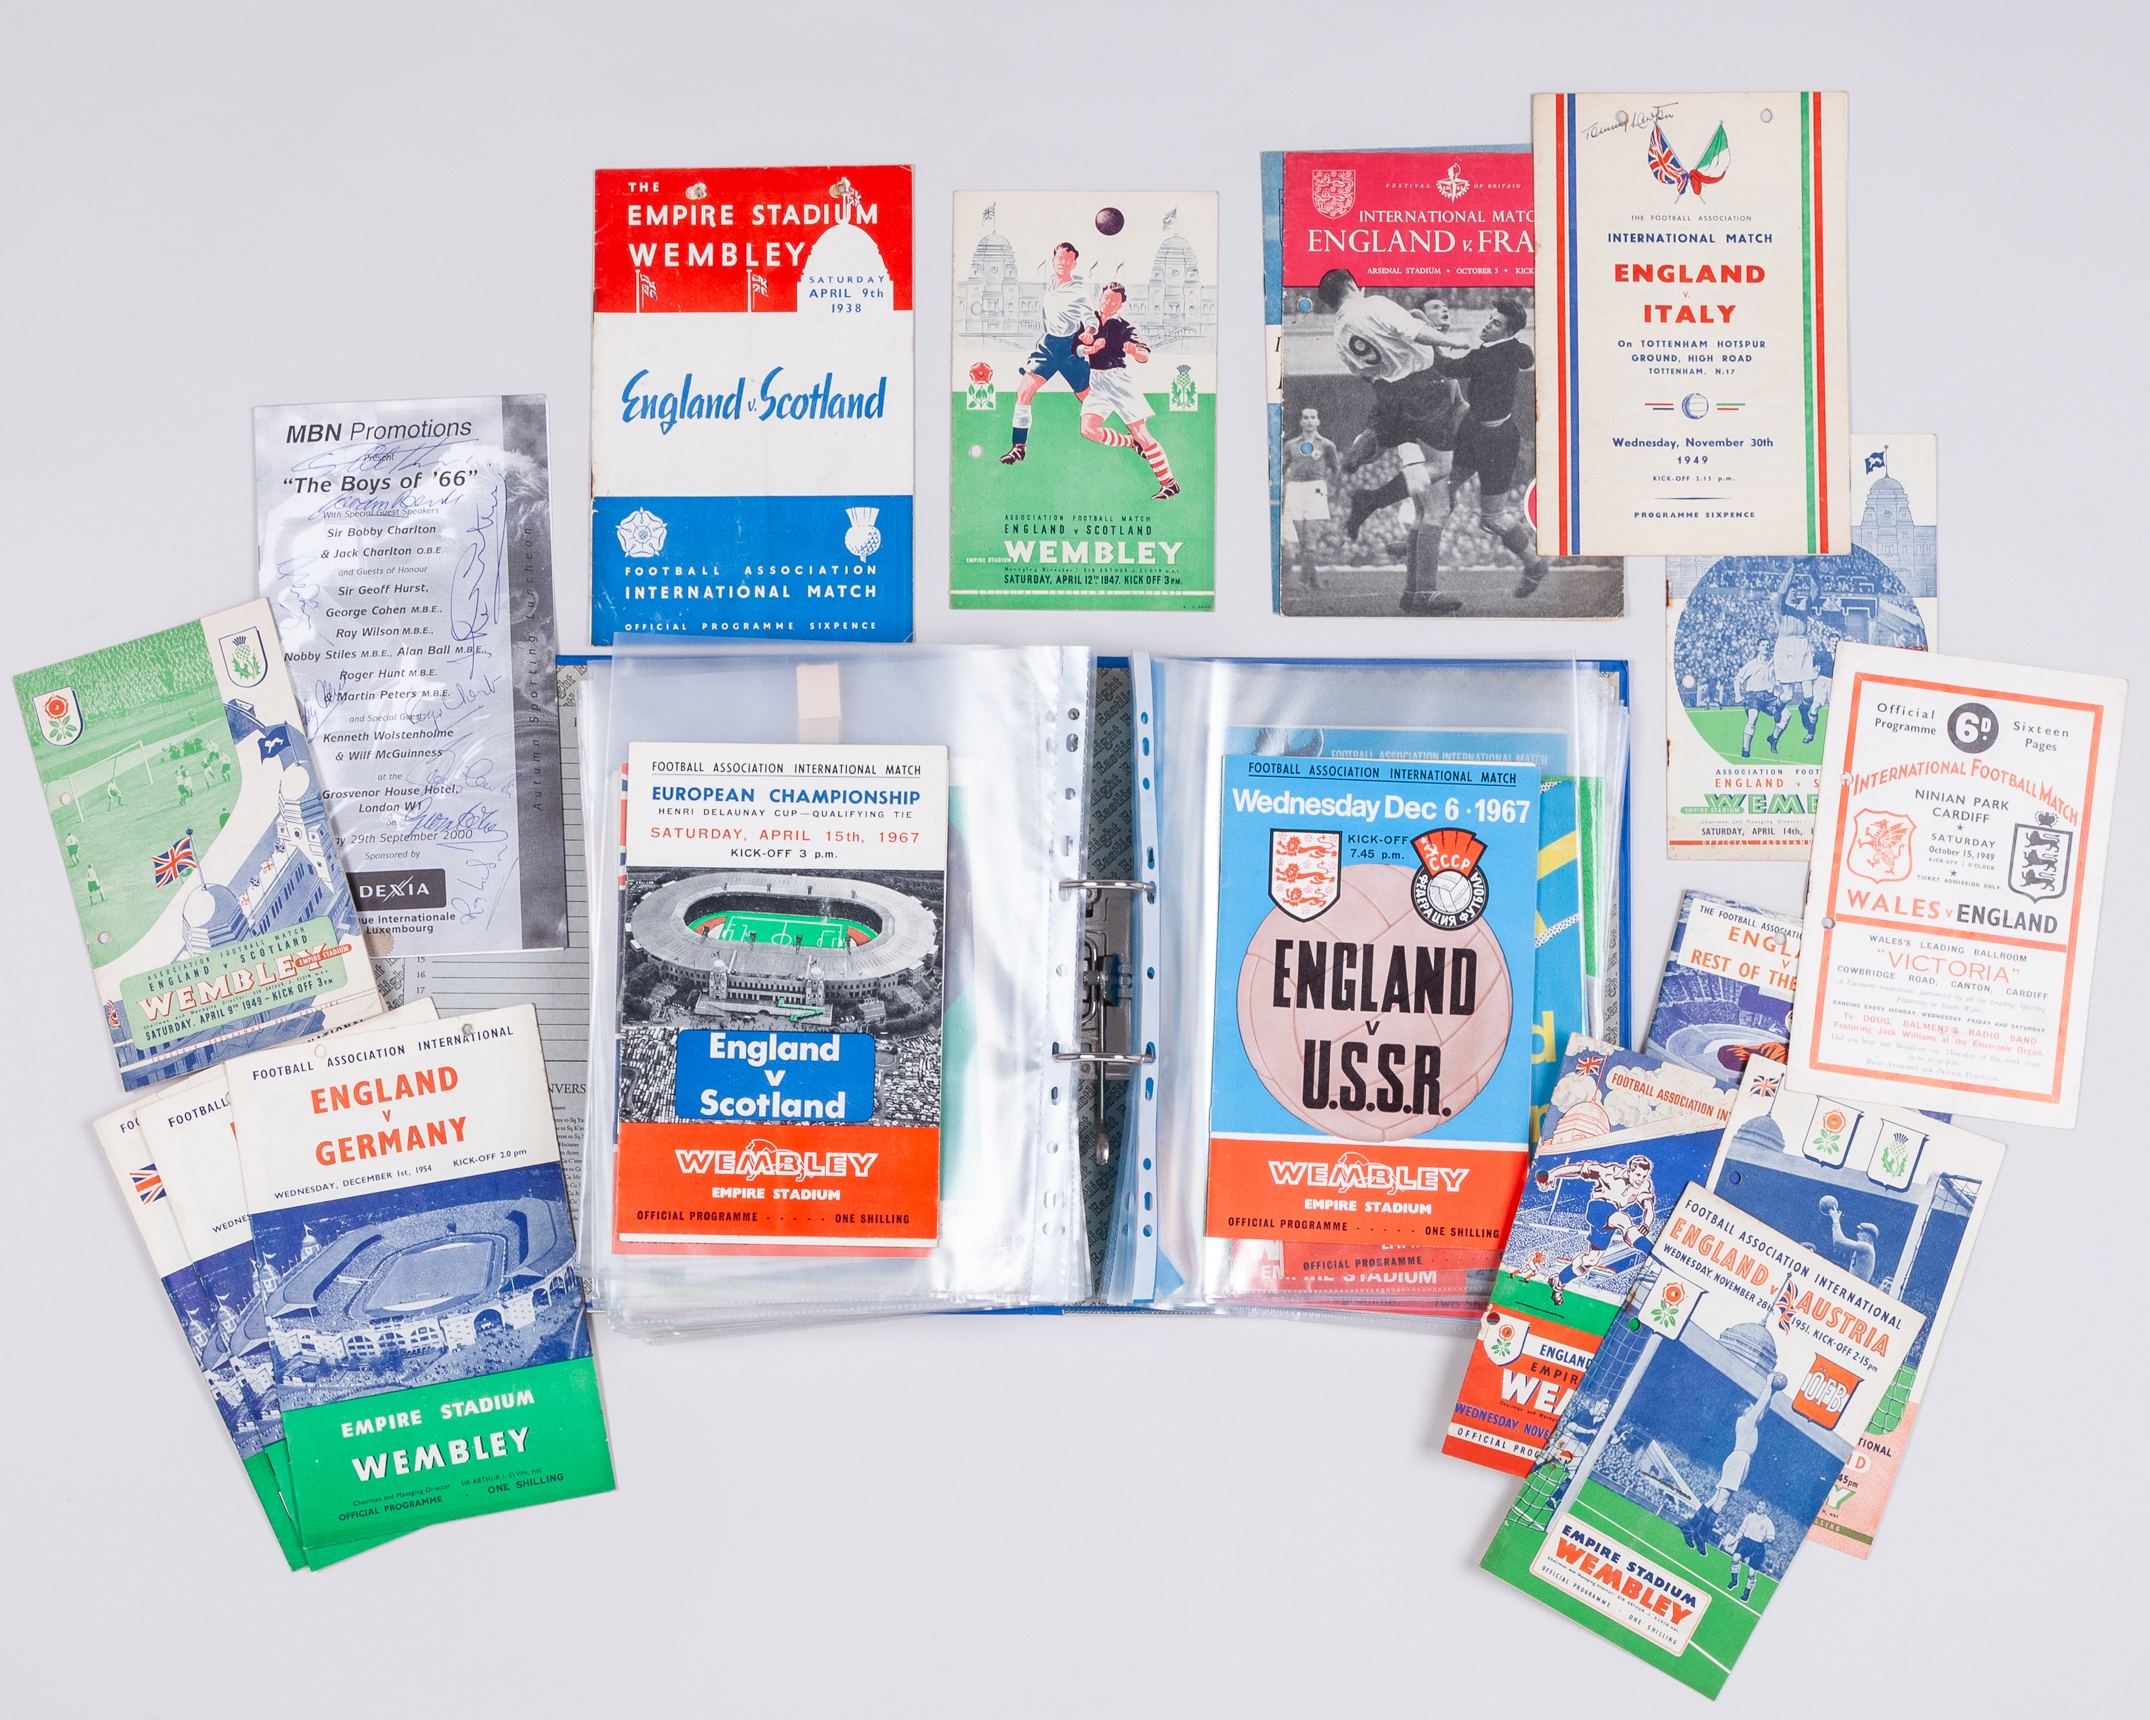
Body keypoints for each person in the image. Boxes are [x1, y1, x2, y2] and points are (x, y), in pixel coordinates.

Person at [1318, 269, 1470, 613]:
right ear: (1352, 284)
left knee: (1426, 509)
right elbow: (1413, 330)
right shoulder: (1373, 304)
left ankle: (1414, 592)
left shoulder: (1339, 334)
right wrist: (1454, 342)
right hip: (1422, 388)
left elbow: (1364, 374)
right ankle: (1374, 500)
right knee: (1439, 475)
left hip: (1390, 393)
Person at [1425, 299, 1554, 598]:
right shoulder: (1507, 349)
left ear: (1506, 331)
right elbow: (1526, 356)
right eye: (1489, 318)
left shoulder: (1486, 357)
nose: (1487, 324)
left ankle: (1534, 564)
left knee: (1492, 518)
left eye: (1495, 323)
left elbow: (1446, 367)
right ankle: (1421, 538)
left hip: (1498, 441)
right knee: (1444, 485)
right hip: (1476, 429)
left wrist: (1424, 338)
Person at [1074, 282, 1178, 500]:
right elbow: (1075, 347)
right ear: (1100, 297)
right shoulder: (1089, 321)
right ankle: (1131, 442)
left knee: (1142, 434)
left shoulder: (1124, 327)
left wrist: (1135, 352)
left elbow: (1144, 354)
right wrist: (1088, 348)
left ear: (1120, 305)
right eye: (1106, 298)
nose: (1108, 302)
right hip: (1097, 381)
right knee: (1088, 430)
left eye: (1114, 300)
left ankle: (1169, 483)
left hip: (1119, 382)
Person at [1515, 1153, 1658, 1305]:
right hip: (1598, 1208)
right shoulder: (1610, 1172)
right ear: (1629, 1170)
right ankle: (1653, 1253)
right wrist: (1553, 1174)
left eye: (1644, 1176)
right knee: (1623, 1220)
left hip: (1611, 1220)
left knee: (1592, 1260)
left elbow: (1648, 1207)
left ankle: (1559, 1281)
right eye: (1638, 1175)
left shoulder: (1643, 1185)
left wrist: (1647, 1224)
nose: (1640, 1179)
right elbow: (1578, 1169)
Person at [1000, 242, 1092, 463]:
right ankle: (1018, 447)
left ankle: (1135, 436)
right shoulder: (1050, 284)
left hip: (1070, 349)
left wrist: (1090, 331)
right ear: (1053, 260)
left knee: (1091, 402)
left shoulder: (1077, 291)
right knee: (1024, 392)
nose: (1063, 263)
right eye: (1060, 259)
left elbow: (1090, 318)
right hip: (1048, 346)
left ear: (1074, 264)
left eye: (1068, 260)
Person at [1680, 1370, 1786, 1560]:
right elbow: (1760, 1405)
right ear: (1746, 1411)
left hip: (1741, 1460)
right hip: (1739, 1459)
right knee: (1721, 1502)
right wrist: (1768, 1385)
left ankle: (1691, 1528)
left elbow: (1763, 1408)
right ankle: (1699, 1533)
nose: (1756, 1411)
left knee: (1715, 1499)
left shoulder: (1749, 1423)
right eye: (1752, 1409)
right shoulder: (1745, 1420)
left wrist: (1773, 1393)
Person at [1280, 406, 1343, 590]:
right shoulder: (1290, 445)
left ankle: (1303, 581)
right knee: (1302, 540)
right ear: (1301, 421)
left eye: (1312, 417)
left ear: (1318, 421)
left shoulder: (1327, 445)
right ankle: (1313, 580)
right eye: (1305, 417)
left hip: (1316, 488)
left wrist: (1334, 491)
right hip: (1294, 489)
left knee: (1310, 539)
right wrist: (1282, 489)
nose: (1309, 421)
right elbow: (1283, 468)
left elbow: (1336, 469)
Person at [1726, 1506, 1775, 1601]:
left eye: (1762, 1505)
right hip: (1746, 1541)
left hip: (1757, 1546)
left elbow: (1771, 1538)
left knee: (1751, 1573)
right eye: (1759, 1504)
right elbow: (1742, 1530)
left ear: (1765, 1509)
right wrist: (1734, 1540)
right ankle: (1734, 1580)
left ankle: (1746, 1593)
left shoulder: (1768, 1523)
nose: (1760, 1507)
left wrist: (1767, 1539)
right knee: (1735, 1558)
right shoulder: (1750, 1516)